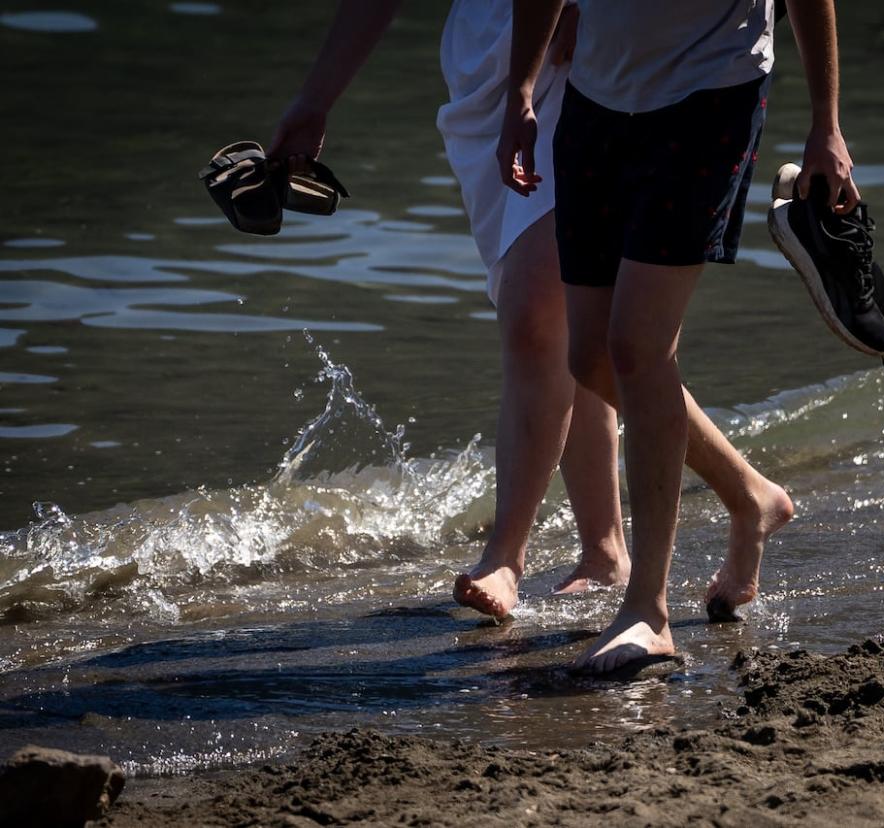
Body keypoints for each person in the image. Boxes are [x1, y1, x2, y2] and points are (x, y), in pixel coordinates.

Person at [270, 0, 792, 623]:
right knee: (578, 323)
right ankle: (633, 538)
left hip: (588, 56)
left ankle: (507, 554)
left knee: (539, 312)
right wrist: (315, 100)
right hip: (489, 61)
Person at [499, 0, 854, 673]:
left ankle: (648, 611)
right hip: (596, 97)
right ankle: (751, 497)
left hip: (710, 93)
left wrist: (825, 124)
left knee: (637, 346)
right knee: (591, 356)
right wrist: (521, 89)